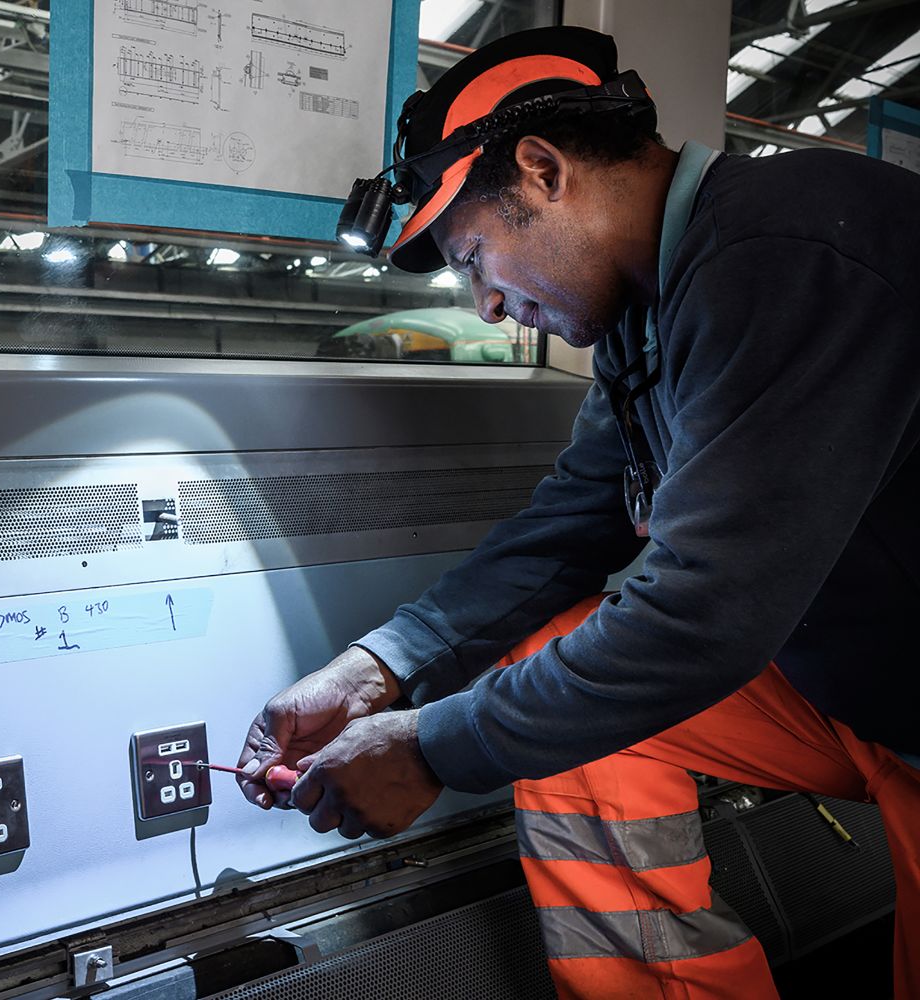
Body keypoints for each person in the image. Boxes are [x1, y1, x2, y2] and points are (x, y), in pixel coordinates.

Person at [235, 25, 920, 1000]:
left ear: (544, 170)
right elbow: (569, 525)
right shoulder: (647, 312)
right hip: (863, 689)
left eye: (476, 256)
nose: (485, 305)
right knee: (561, 694)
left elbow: (705, 615)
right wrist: (375, 668)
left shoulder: (788, 250)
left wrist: (429, 746)